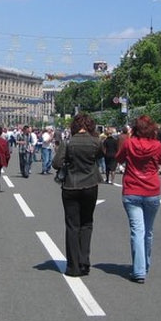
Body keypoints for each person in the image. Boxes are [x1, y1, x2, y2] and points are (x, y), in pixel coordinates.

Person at [115, 115, 161, 284]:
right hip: (152, 190)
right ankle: (144, 265)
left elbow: (119, 158)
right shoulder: (157, 145)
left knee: (137, 230)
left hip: (132, 189)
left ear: (135, 129)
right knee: (148, 231)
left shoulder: (129, 143)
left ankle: (139, 270)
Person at [52, 113, 104, 277]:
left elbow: (56, 163)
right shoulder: (96, 142)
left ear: (74, 126)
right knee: (87, 223)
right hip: (90, 184)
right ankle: (84, 262)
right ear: (90, 126)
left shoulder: (68, 142)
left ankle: (73, 266)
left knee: (72, 225)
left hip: (71, 186)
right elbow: (100, 156)